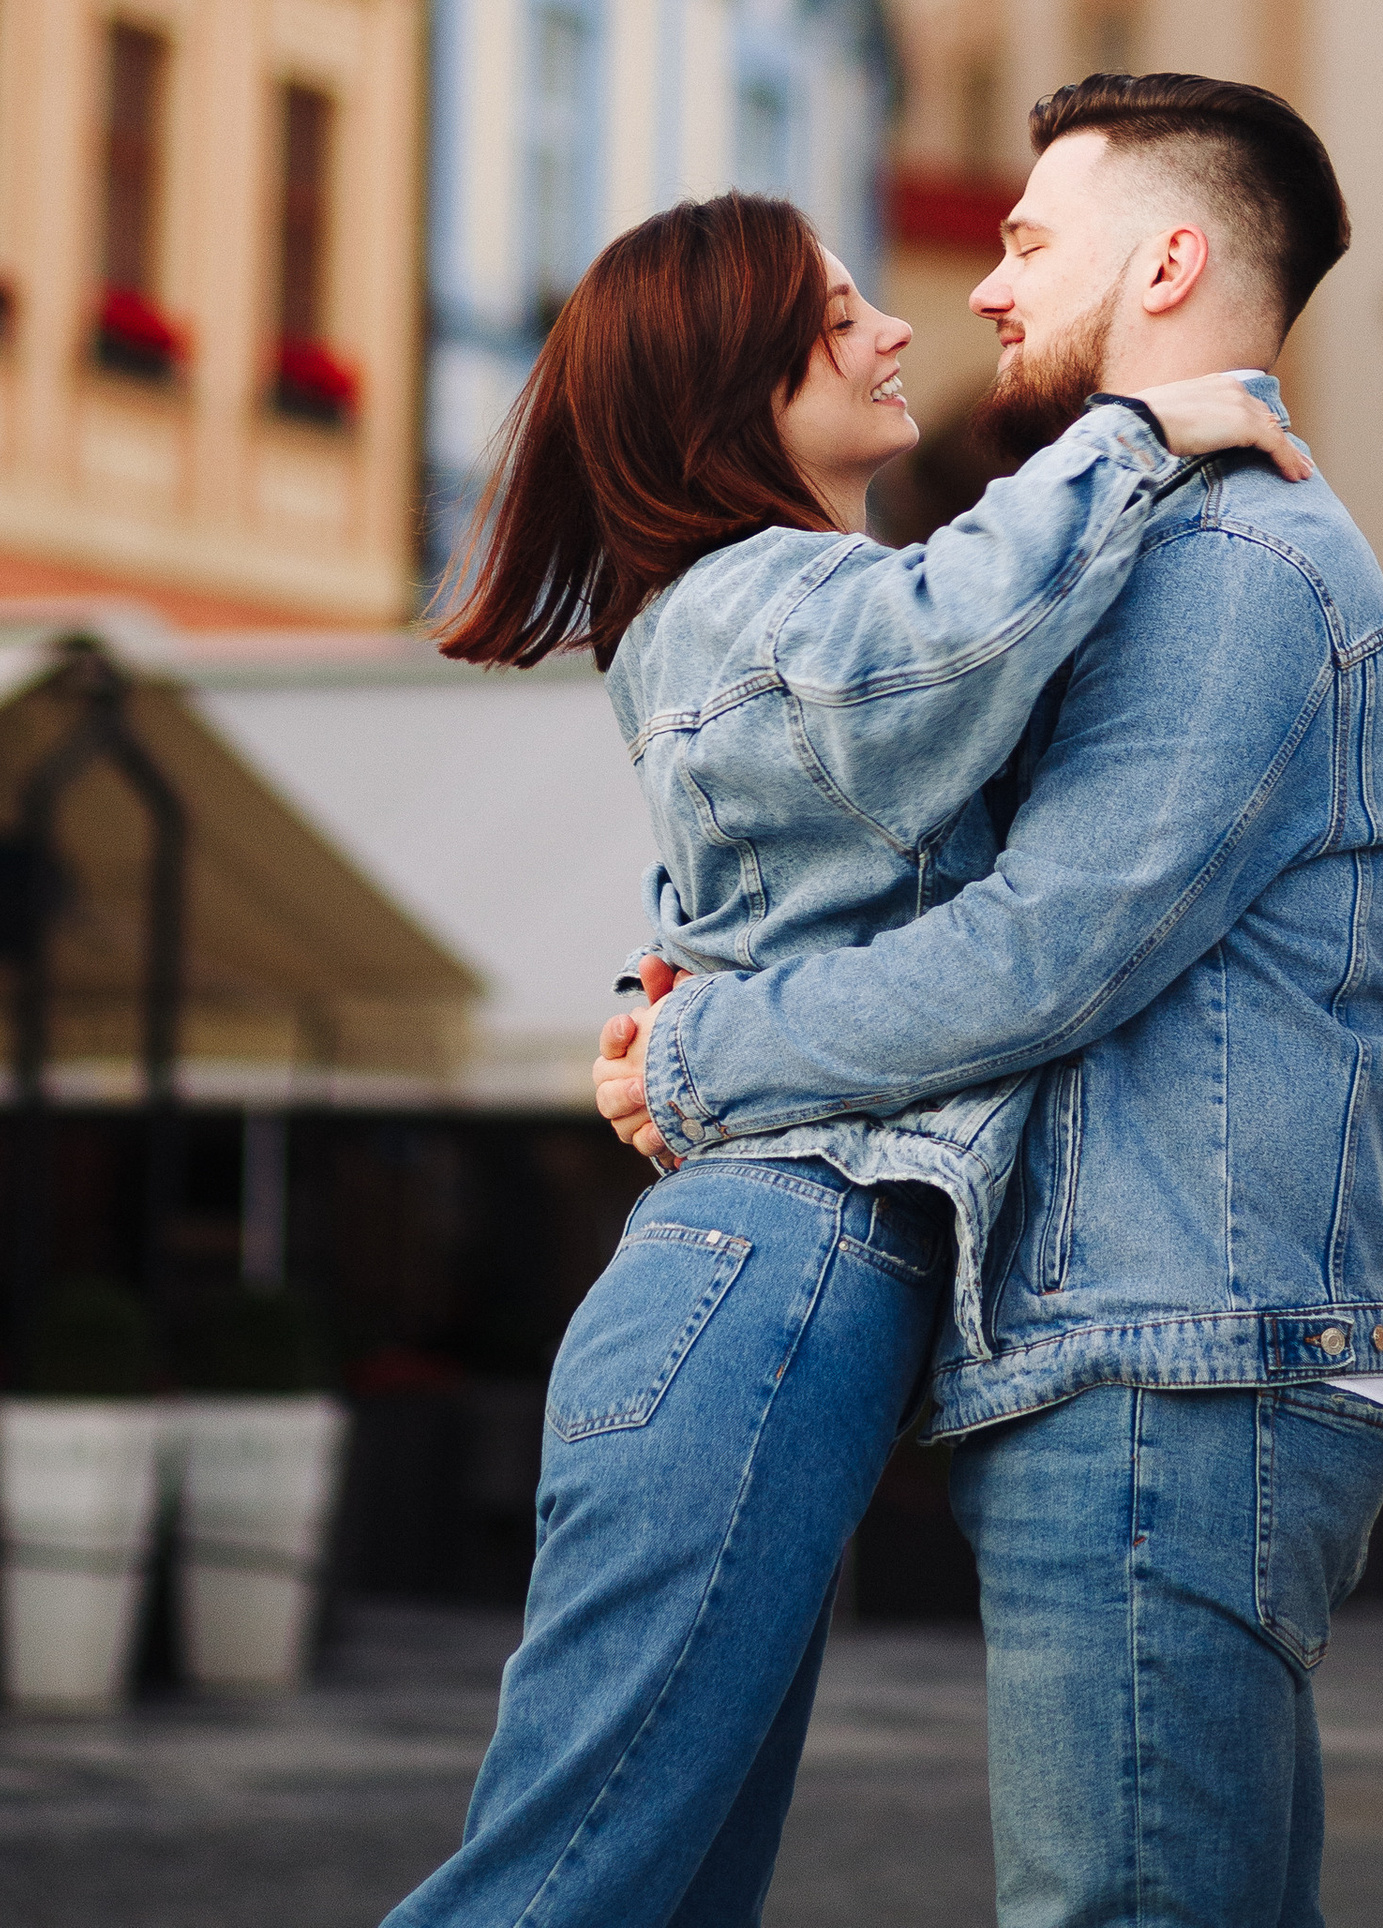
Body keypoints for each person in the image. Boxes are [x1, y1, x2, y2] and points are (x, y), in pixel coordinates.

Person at [381, 187, 1299, 1928]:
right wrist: (1137, 432)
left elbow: (746, 899)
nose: (896, 335)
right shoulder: (776, 599)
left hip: (764, 1291)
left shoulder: (747, 616)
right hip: (767, 1280)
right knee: (565, 1887)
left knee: (661, 1892)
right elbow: (948, 635)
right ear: (732, 388)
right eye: (838, 317)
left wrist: (669, 1017)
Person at [598, 70, 1383, 1928]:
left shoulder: (1229, 557)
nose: (979, 291)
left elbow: (1045, 952)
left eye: (1029, 243)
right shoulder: (1144, 542)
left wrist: (701, 1055)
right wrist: (678, 979)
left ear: (1167, 265)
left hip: (1168, 1357)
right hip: (1167, 1347)